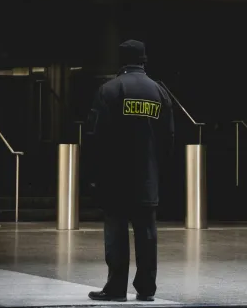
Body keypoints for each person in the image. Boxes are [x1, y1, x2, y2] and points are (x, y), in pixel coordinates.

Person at [86, 40, 174, 302]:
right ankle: (146, 289)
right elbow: (168, 139)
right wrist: (158, 172)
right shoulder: (160, 92)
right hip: (148, 178)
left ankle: (115, 288)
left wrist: (93, 175)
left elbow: (95, 137)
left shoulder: (109, 90)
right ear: (144, 60)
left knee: (116, 233)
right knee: (147, 233)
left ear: (121, 61)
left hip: (115, 178)